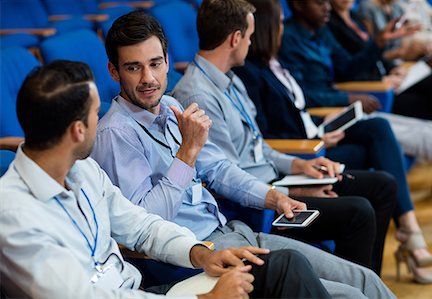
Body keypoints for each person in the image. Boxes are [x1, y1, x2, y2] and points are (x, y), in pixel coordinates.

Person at [91, 9, 396, 298]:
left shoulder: (174, 108)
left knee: (365, 280)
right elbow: (146, 224)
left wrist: (273, 197)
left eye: (155, 63)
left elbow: (220, 169)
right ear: (113, 72)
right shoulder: (116, 133)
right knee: (352, 295)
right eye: (134, 67)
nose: (148, 78)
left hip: (235, 232)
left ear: (168, 62)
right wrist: (186, 155)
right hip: (195, 258)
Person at [0, 60, 333, 299]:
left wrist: (201, 253)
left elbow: (142, 226)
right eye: (95, 114)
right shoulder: (13, 214)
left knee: (284, 267)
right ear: (77, 131)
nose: (100, 121)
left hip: (140, 291)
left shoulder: (82, 169)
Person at [173, 0, 398, 276]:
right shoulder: (198, 95)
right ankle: (361, 285)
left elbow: (259, 147)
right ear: (235, 39)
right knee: (359, 212)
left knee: (380, 186)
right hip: (258, 206)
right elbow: (223, 178)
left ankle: (367, 286)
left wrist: (299, 166)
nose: (252, 42)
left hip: (274, 184)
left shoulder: (231, 80)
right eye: (250, 36)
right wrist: (289, 192)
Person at [278, 0, 432, 284]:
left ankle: (408, 240)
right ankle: (410, 236)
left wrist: (378, 43)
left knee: (425, 128)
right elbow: (303, 96)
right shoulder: (289, 39)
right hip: (319, 123)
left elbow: (349, 66)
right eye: (319, 2)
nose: (327, 6)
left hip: (338, 113)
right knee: (392, 133)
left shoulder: (321, 31)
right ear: (297, 5)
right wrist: (346, 98)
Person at [328, 0, 432, 190]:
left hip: (387, 81)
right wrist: (385, 68)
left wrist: (393, 68)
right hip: (375, 93)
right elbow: (349, 69)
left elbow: (373, 58)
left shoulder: (354, 18)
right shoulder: (330, 23)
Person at [357, 0, 432, 74]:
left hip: (405, 57)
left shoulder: (397, 7)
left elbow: (406, 38)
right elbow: (371, 49)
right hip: (389, 62)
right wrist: (401, 53)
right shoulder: (367, 7)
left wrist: (414, 48)